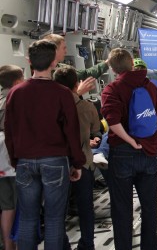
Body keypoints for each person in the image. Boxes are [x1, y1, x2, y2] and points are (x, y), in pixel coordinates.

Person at [5, 40, 84, 250]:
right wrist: (76, 163)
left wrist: (16, 159)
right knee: (54, 220)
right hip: (55, 161)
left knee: (28, 219)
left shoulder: (15, 93)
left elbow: (10, 131)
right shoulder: (62, 93)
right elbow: (71, 132)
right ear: (53, 63)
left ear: (29, 61)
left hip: (24, 162)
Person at [100, 48, 157, 250]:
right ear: (132, 62)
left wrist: (129, 141)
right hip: (148, 151)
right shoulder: (150, 86)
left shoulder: (111, 89)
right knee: (149, 207)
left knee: (122, 209)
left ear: (112, 68)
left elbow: (112, 122)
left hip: (121, 154)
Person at [54, 67, 102, 250]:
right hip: (84, 163)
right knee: (86, 208)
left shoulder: (50, 107)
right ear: (76, 84)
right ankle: (87, 245)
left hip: (58, 164)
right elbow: (95, 129)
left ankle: (63, 245)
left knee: (58, 210)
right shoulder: (87, 107)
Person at [0, 65, 24, 250]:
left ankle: (9, 246)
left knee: (7, 205)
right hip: (13, 161)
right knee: (20, 204)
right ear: (17, 82)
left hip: (1, 164)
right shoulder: (15, 100)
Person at [43, 34, 108, 95]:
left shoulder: (62, 68)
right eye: (64, 48)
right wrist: (77, 93)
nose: (66, 51)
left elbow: (85, 74)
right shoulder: (44, 74)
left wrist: (107, 63)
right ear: (55, 50)